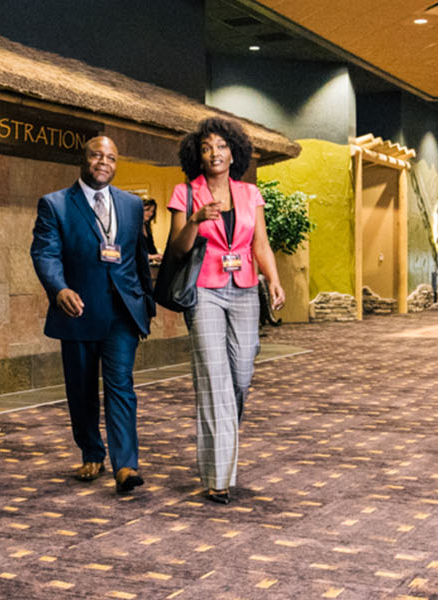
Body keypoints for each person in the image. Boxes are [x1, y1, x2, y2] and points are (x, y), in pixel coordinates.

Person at [165, 117, 284, 505]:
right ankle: (219, 478)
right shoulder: (186, 193)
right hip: (204, 291)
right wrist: (196, 221)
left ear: (234, 152)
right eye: (206, 148)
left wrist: (274, 279)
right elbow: (178, 249)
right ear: (197, 157)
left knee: (241, 374)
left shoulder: (250, 194)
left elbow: (260, 244)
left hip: (245, 289)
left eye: (220, 146)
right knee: (215, 378)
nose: (214, 154)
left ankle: (221, 445)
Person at [31, 136, 154, 493]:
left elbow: (138, 256)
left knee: (121, 386)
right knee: (82, 389)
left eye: (111, 157)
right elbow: (45, 253)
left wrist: (146, 302)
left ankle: (126, 465)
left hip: (122, 312)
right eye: (97, 155)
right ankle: (92, 451)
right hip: (79, 309)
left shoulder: (132, 205)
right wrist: (59, 289)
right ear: (84, 160)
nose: (104, 162)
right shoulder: (55, 205)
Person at [141, 196, 162, 266]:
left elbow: (152, 249)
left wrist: (158, 256)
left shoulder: (147, 228)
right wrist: (152, 257)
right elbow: (131, 253)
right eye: (147, 210)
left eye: (152, 211)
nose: (150, 214)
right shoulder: (132, 228)